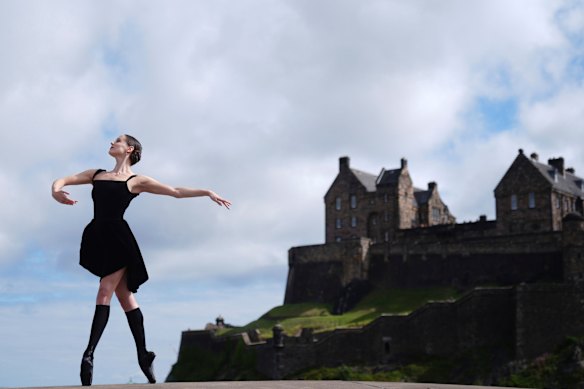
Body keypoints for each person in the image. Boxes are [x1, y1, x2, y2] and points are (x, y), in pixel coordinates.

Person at [51, 134, 231, 386]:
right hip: (98, 236)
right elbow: (64, 179)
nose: (111, 143)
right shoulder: (96, 174)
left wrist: (207, 192)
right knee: (125, 298)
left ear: (129, 149)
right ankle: (144, 355)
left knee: (104, 290)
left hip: (119, 239)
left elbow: (176, 192)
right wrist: (55, 191)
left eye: (117, 140)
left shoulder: (136, 181)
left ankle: (88, 355)